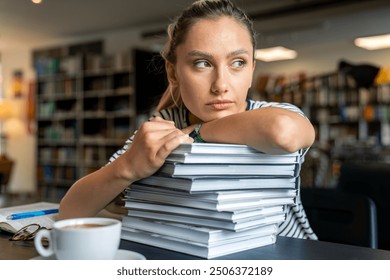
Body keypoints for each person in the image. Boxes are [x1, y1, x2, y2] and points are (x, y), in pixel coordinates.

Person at [59, 0, 317, 240]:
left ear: (251, 71)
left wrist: (199, 132)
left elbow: (283, 132)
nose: (221, 85)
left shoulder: (272, 112)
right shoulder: (164, 125)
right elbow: (70, 212)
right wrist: (127, 168)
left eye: (237, 63)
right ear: (173, 73)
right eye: (202, 63)